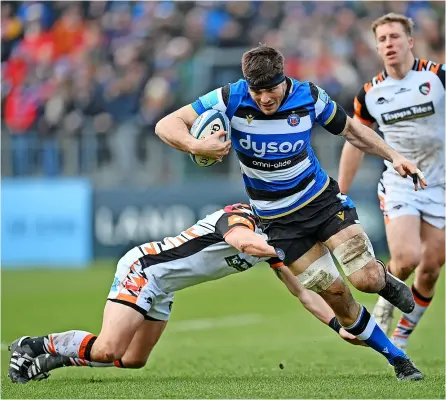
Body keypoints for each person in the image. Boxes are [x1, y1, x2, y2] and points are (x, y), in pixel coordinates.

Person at [154, 45, 427, 380]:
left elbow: (352, 131)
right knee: (338, 297)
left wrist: (393, 155)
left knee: (365, 279)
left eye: (271, 90)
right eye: (257, 92)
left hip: (321, 202)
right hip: (277, 221)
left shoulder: (309, 96)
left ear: (284, 80)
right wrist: (195, 145)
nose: (264, 99)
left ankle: (384, 281)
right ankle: (398, 359)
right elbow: (167, 123)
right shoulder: (230, 97)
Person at [9, 204, 364, 384]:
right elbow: (240, 240)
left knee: (133, 360)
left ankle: (55, 359)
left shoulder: (277, 241)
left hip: (164, 286)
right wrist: (273, 249)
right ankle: (36, 345)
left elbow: (303, 293)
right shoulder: (240, 215)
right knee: (108, 349)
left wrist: (338, 325)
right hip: (144, 269)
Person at [337, 13, 445, 350]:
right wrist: (340, 191)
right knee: (408, 257)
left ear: (409, 41)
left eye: (395, 37)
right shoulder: (370, 92)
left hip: (440, 183)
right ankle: (384, 311)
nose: (389, 44)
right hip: (401, 183)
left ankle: (400, 337)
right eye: (382, 39)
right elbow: (356, 139)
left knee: (430, 268)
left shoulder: (437, 77)